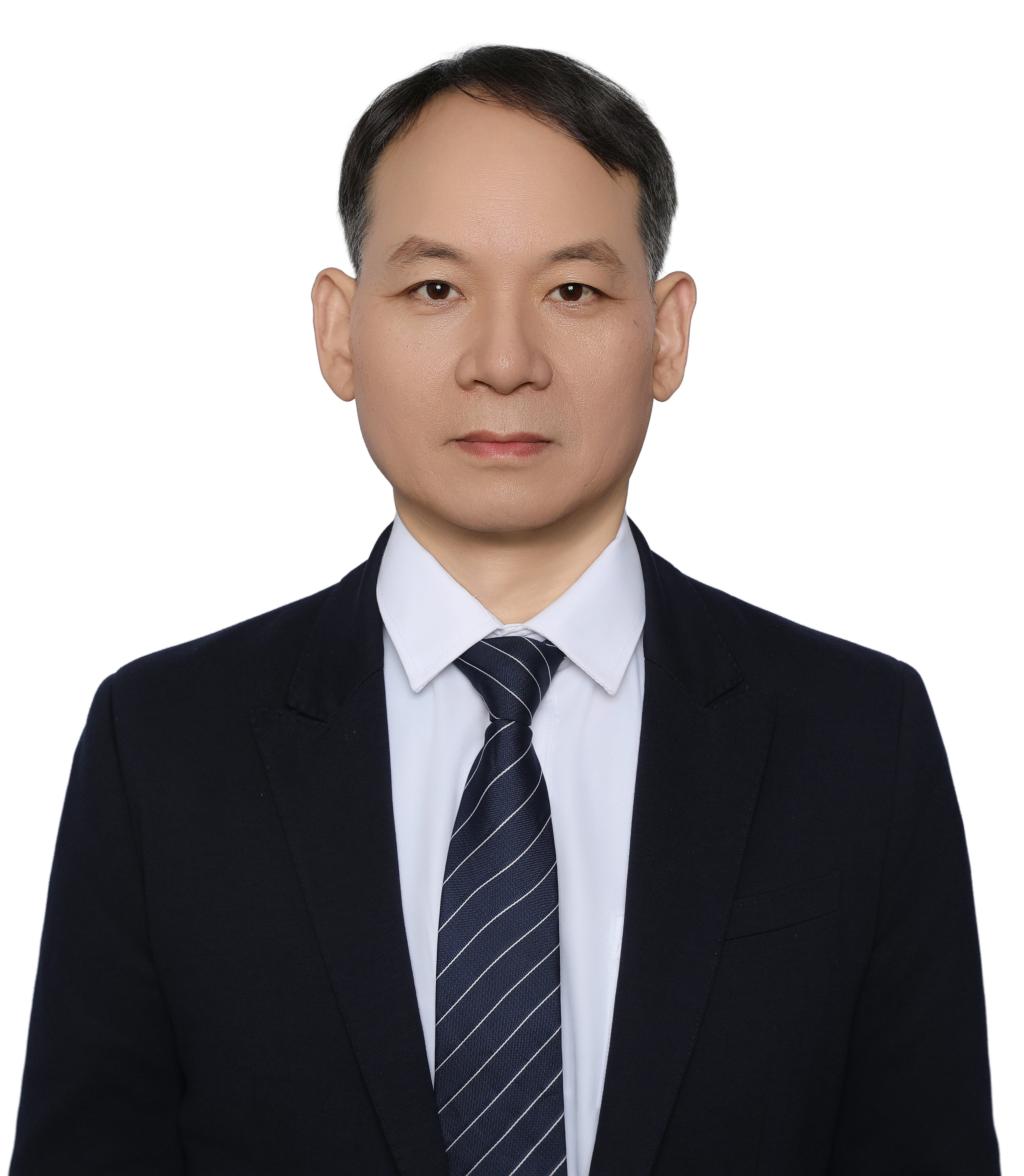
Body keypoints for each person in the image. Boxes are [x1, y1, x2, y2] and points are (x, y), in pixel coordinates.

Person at [8, 43, 1001, 1176]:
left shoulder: (857, 740)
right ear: (339, 330)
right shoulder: (165, 746)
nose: (504, 361)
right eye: (436, 289)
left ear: (668, 333)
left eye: (572, 291)